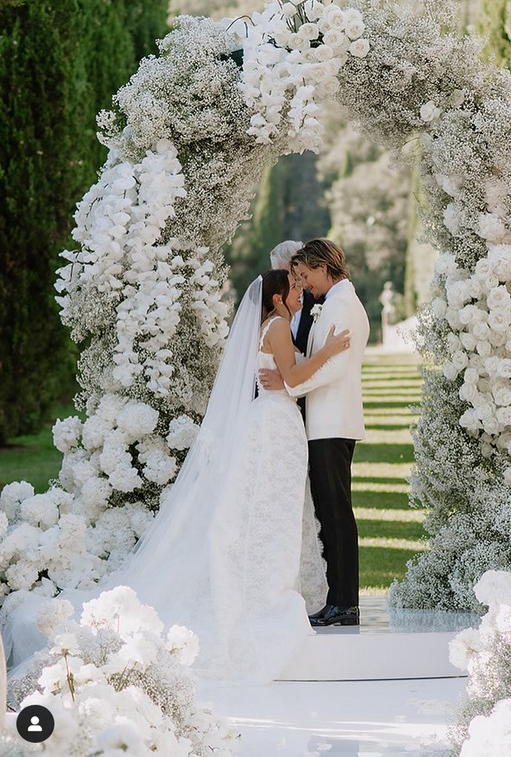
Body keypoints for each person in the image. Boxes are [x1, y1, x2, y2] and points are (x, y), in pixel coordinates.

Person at [4, 271, 349, 685]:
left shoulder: (271, 326)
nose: (301, 294)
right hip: (275, 423)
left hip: (275, 422)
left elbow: (286, 376)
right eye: (294, 289)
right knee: (270, 507)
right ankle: (263, 588)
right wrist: (328, 350)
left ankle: (272, 579)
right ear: (277, 298)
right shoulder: (277, 326)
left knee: (271, 508)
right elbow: (292, 379)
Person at [259, 239, 370, 627]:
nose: (304, 285)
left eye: (305, 276)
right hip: (323, 421)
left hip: (332, 421)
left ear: (324, 268)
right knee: (329, 510)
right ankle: (339, 600)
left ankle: (345, 603)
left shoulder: (342, 305)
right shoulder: (334, 302)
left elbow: (335, 366)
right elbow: (318, 358)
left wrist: (288, 384)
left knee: (337, 512)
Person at [270, 239, 317, 355]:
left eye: (294, 275)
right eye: (281, 275)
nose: (289, 281)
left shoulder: (319, 303)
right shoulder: (265, 308)